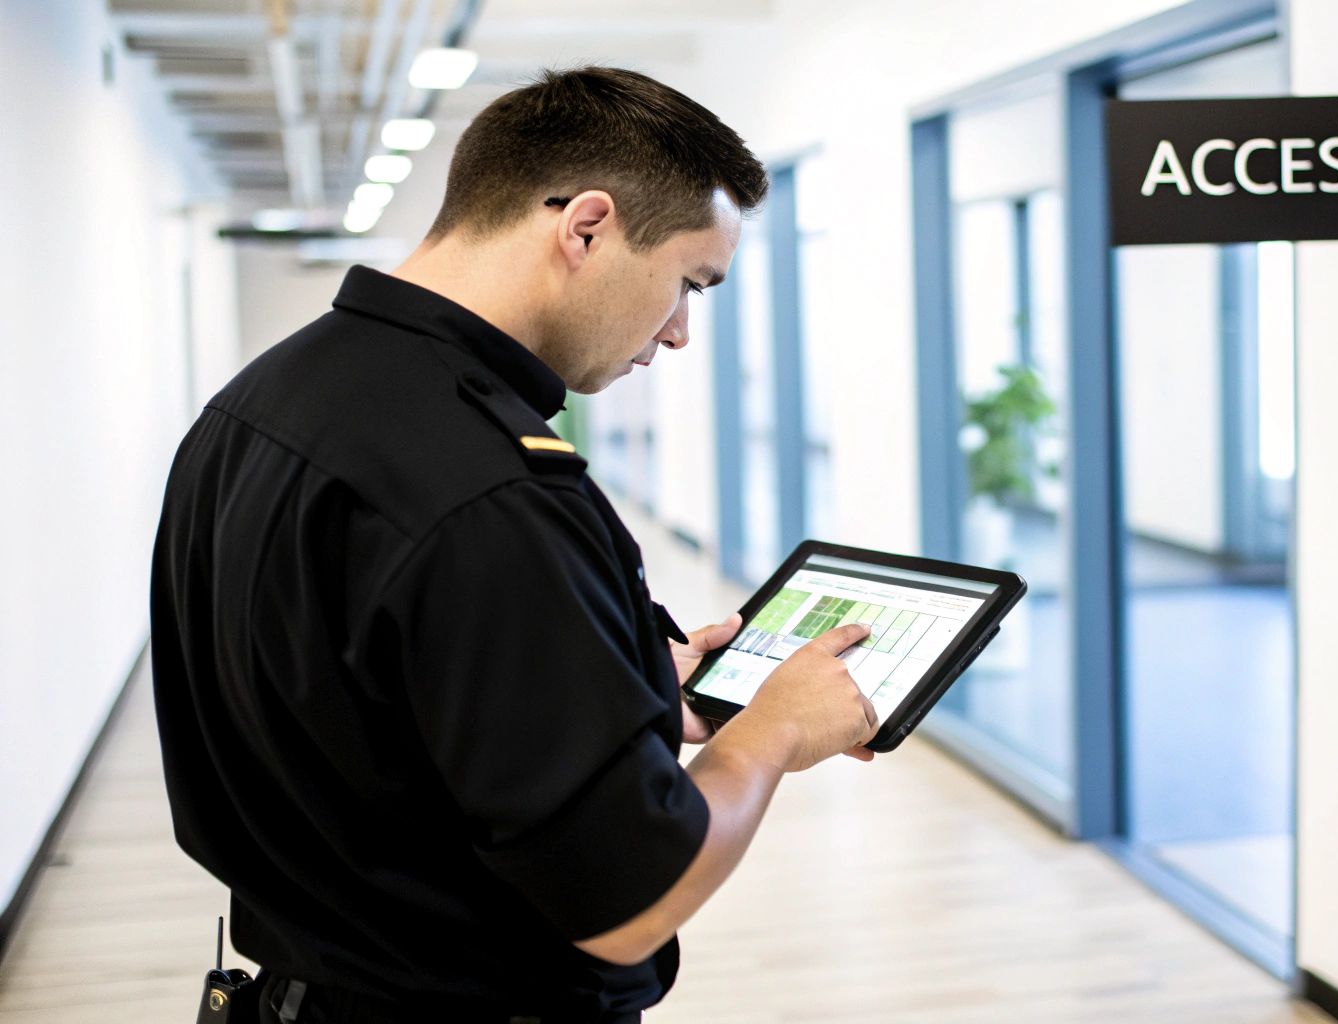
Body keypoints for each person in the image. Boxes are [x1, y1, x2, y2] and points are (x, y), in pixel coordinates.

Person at [150, 66, 879, 1024]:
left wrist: (619, 680)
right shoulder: (489, 491)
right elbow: (630, 907)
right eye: (687, 283)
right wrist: (771, 732)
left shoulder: (260, 403)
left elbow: (364, 693)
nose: (680, 334)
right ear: (585, 227)